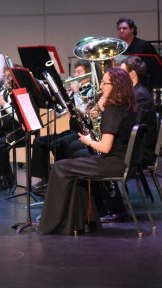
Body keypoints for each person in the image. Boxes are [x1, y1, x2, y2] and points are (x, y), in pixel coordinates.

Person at [39, 68, 136, 235]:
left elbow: (105, 147)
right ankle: (79, 222)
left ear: (116, 86)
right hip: (121, 162)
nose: (101, 87)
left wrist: (88, 141)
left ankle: (54, 222)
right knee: (72, 169)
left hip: (112, 164)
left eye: (105, 83)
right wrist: (100, 107)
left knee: (60, 167)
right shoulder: (125, 107)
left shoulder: (113, 110)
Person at [30, 60, 92, 192]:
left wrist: (75, 93)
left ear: (88, 74)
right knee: (39, 141)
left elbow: (84, 111)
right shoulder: (73, 90)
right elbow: (63, 110)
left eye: (79, 72)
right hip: (72, 129)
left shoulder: (91, 89)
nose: (75, 74)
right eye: (75, 72)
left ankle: (64, 180)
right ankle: (45, 179)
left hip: (83, 131)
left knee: (58, 144)